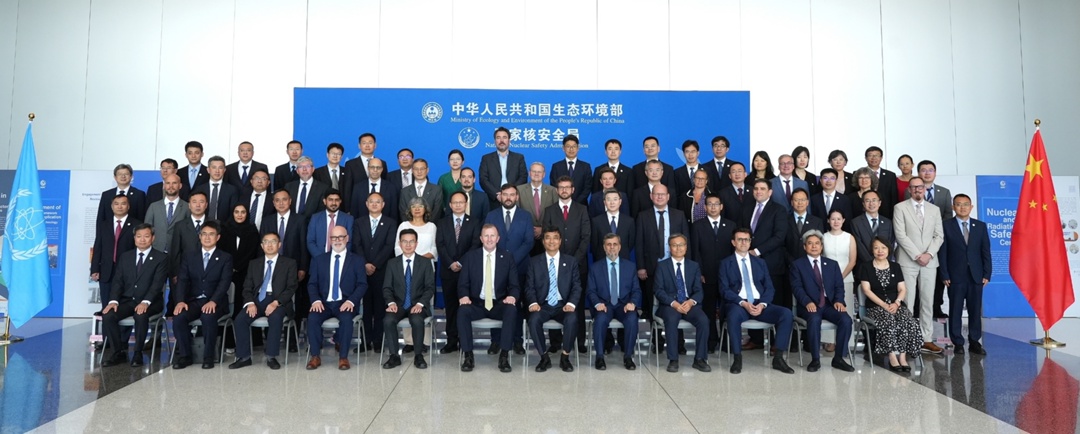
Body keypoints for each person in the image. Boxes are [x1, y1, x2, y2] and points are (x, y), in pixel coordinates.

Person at [720, 228, 795, 374]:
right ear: (733, 242)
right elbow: (724, 290)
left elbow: (769, 288)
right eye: (740, 239)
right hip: (739, 304)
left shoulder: (760, 262)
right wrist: (743, 303)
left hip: (759, 304)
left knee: (786, 314)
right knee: (733, 316)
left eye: (746, 240)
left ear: (750, 242)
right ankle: (737, 358)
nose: (743, 242)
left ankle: (778, 358)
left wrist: (762, 304)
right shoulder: (725, 263)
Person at [100, 223, 168, 367]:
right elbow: (117, 282)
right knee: (108, 316)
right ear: (134, 238)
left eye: (146, 236)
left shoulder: (161, 258)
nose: (142, 239)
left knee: (140, 315)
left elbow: (157, 285)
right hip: (128, 301)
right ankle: (118, 352)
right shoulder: (126, 257)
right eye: (139, 236)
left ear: (153, 238)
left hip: (151, 302)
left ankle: (138, 353)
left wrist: (146, 302)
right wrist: (113, 301)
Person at [789, 230, 855, 372]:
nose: (814, 246)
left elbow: (839, 286)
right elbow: (797, 287)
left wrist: (839, 301)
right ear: (804, 246)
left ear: (821, 246)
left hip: (829, 304)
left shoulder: (832, 264)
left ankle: (839, 358)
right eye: (810, 243)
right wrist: (807, 302)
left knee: (846, 320)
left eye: (817, 243)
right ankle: (815, 359)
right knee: (814, 320)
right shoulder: (797, 265)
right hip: (809, 305)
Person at [230, 232, 298, 370]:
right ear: (262, 246)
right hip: (257, 300)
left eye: (273, 241)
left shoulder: (289, 263)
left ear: (279, 245)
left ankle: (271, 357)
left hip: (278, 301)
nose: (269, 245)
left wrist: (276, 302)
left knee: (275, 317)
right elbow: (247, 287)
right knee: (240, 319)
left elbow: (291, 288)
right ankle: (244, 357)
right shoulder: (254, 263)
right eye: (266, 242)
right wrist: (250, 303)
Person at [456, 224, 519, 373]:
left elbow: (515, 285)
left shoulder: (507, 257)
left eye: (492, 236)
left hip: (499, 303)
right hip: (476, 303)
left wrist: (512, 296)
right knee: (462, 312)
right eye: (486, 236)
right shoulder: (471, 257)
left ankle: (504, 356)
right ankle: (468, 356)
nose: (489, 239)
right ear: (481, 238)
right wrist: (464, 296)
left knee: (511, 310)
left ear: (498, 238)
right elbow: (462, 284)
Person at [893, 177, 945, 354]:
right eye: (914, 187)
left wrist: (928, 254)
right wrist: (917, 255)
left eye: (920, 187)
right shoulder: (900, 208)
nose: (917, 190)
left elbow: (939, 235)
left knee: (927, 301)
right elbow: (900, 235)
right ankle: (907, 339)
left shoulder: (934, 209)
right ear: (909, 189)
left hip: (929, 261)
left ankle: (926, 339)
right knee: (908, 300)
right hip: (908, 260)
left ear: (925, 189)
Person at [171, 220, 233, 369]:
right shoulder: (189, 256)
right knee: (179, 317)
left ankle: (208, 356)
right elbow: (182, 280)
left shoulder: (225, 257)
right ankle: (185, 356)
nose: (207, 237)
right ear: (199, 236)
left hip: (215, 302)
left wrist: (213, 301)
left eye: (211, 234)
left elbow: (224, 283)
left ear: (218, 237)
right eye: (204, 234)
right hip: (194, 301)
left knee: (208, 317)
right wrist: (180, 301)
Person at [635, 183, 689, 351]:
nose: (659, 197)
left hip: (676, 267)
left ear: (668, 197)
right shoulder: (643, 216)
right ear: (651, 197)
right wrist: (641, 267)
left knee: (678, 301)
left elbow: (686, 241)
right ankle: (657, 342)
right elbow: (639, 243)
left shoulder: (679, 215)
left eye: (662, 194)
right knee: (654, 305)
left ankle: (679, 343)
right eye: (656, 194)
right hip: (652, 268)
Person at [304, 226, 366, 370]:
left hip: (345, 302)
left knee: (346, 319)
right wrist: (316, 300)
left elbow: (362, 285)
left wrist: (351, 301)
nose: (337, 240)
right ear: (330, 239)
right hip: (324, 303)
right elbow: (312, 284)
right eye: (334, 238)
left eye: (341, 237)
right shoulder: (320, 260)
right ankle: (315, 356)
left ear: (347, 238)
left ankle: (343, 357)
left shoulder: (357, 260)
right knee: (312, 318)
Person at [541, 175, 591, 352]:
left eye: (567, 187)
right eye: (561, 187)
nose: (564, 190)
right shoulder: (549, 210)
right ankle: (555, 343)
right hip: (553, 265)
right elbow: (546, 237)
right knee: (554, 301)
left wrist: (573, 261)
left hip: (578, 265)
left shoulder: (582, 209)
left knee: (577, 303)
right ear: (557, 190)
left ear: (573, 190)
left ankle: (579, 342)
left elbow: (586, 237)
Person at [938, 194, 991, 355]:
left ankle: (975, 342)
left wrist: (987, 273)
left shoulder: (980, 226)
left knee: (975, 310)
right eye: (959, 204)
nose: (962, 207)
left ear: (971, 207)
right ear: (953, 207)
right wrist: (944, 274)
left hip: (976, 275)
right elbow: (943, 252)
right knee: (955, 310)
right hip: (955, 276)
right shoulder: (946, 226)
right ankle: (958, 343)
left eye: (966, 204)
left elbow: (985, 251)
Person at [483, 183, 533, 354]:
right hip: (495, 268)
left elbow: (528, 242)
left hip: (520, 268)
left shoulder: (525, 215)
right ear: (500, 196)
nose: (509, 198)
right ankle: (496, 341)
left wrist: (511, 261)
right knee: (496, 303)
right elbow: (488, 241)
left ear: (517, 197)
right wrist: (502, 262)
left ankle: (517, 340)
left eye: (512, 194)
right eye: (505, 194)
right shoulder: (491, 215)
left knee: (516, 304)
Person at [858, 237, 921, 372]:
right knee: (888, 320)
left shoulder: (895, 267)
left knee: (908, 320)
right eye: (876, 248)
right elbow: (866, 290)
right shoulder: (866, 267)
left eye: (883, 248)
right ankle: (892, 356)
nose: (880, 251)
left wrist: (897, 303)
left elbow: (902, 289)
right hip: (876, 307)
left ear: (889, 250)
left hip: (896, 304)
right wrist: (884, 305)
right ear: (872, 250)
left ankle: (902, 357)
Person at [525, 227, 581, 373]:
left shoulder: (571, 261)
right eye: (548, 238)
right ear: (543, 241)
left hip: (563, 305)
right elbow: (529, 287)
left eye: (555, 238)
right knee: (533, 320)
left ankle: (565, 357)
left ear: (560, 241)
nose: (551, 241)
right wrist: (533, 303)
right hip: (542, 305)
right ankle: (544, 357)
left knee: (572, 319)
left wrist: (571, 304)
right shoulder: (534, 262)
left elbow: (576, 286)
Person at [654, 233, 711, 373]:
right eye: (674, 245)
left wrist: (691, 302)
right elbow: (658, 290)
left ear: (686, 247)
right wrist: (674, 303)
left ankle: (700, 359)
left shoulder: (694, 266)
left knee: (704, 320)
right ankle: (673, 359)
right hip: (669, 305)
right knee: (671, 319)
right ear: (669, 248)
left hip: (688, 303)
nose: (678, 248)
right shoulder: (662, 266)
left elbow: (699, 291)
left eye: (681, 245)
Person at [435, 191, 482, 353]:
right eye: (455, 202)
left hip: (467, 272)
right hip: (448, 271)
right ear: (450, 205)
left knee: (466, 306)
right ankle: (451, 341)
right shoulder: (442, 222)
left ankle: (465, 340)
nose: (458, 205)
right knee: (451, 307)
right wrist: (451, 263)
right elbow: (440, 244)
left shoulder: (474, 222)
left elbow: (475, 245)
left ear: (466, 204)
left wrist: (461, 262)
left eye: (461, 202)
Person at [381, 229, 435, 370]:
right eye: (405, 241)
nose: (408, 245)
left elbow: (430, 288)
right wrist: (391, 303)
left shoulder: (425, 263)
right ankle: (394, 356)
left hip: (418, 304)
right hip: (398, 305)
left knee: (416, 320)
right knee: (388, 320)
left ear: (416, 243)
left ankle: (418, 355)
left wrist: (420, 304)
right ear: (400, 243)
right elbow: (387, 287)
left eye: (411, 241)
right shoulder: (392, 263)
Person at [587, 234, 641, 370]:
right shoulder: (595, 268)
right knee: (600, 320)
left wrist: (632, 303)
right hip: (604, 305)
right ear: (604, 247)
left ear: (620, 247)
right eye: (609, 244)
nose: (612, 247)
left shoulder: (630, 266)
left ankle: (628, 357)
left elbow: (636, 290)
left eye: (615, 244)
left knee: (632, 319)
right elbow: (591, 291)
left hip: (624, 305)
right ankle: (599, 357)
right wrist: (597, 304)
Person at [351, 192, 397, 353]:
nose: (375, 204)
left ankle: (378, 341)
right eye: (372, 201)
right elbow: (356, 244)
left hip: (382, 270)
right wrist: (365, 263)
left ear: (383, 204)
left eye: (378, 202)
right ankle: (364, 341)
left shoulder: (390, 223)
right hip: (362, 270)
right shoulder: (359, 222)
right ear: (366, 204)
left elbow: (389, 246)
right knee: (365, 308)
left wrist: (375, 264)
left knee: (379, 307)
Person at [689, 193, 735, 352]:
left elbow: (733, 253)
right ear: (705, 207)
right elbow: (695, 252)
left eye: (716, 204)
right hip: (706, 275)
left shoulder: (730, 225)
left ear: (721, 206)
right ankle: (710, 341)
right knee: (708, 309)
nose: (713, 207)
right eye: (710, 204)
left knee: (726, 309)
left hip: (726, 276)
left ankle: (726, 342)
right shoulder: (697, 226)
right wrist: (699, 273)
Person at [394, 198, 438, 353]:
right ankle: (409, 342)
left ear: (425, 209)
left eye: (420, 206)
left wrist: (419, 261)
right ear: (409, 209)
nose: (417, 209)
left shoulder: (432, 226)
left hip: (426, 270)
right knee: (406, 302)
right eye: (413, 206)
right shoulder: (403, 226)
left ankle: (424, 341)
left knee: (423, 305)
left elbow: (434, 249)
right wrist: (412, 259)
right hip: (405, 269)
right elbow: (397, 248)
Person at [738, 179, 790, 311]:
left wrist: (757, 251)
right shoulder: (746, 208)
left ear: (770, 192)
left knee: (774, 302)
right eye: (756, 189)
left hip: (771, 262)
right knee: (755, 298)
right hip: (750, 262)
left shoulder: (779, 209)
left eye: (762, 189)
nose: (758, 191)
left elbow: (779, 237)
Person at [217, 203, 261, 352]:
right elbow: (222, 251)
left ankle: (247, 343)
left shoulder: (252, 231)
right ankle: (228, 342)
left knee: (242, 307)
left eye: (243, 212)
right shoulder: (224, 230)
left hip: (246, 275)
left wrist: (238, 266)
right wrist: (231, 267)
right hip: (227, 274)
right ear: (232, 213)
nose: (240, 215)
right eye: (237, 212)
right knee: (227, 308)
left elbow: (252, 253)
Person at [264, 190, 310, 331]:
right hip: (271, 267)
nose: (281, 203)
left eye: (284, 199)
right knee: (271, 298)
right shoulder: (267, 220)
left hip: (293, 267)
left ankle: (293, 336)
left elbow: (303, 245)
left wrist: (302, 267)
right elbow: (263, 245)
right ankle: (271, 334)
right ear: (273, 203)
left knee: (294, 301)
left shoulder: (300, 220)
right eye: (277, 200)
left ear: (290, 201)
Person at [914, 159, 953, 319]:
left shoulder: (944, 192)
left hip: (937, 240)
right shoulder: (912, 191)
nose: (927, 173)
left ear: (935, 173)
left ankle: (936, 306)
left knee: (937, 275)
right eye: (923, 170)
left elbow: (947, 217)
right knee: (918, 276)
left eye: (930, 170)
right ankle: (917, 308)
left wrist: (937, 237)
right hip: (917, 241)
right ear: (918, 173)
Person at [91, 195, 140, 311]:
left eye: (123, 203)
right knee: (106, 306)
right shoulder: (104, 224)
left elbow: (137, 249)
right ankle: (106, 323)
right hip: (106, 270)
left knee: (124, 306)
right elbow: (98, 246)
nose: (120, 207)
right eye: (116, 204)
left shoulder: (137, 225)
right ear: (112, 206)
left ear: (128, 206)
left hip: (127, 271)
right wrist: (94, 268)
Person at [821, 209, 857, 352]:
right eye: (833, 219)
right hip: (826, 280)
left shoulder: (849, 237)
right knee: (830, 309)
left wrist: (840, 277)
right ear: (828, 221)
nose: (836, 222)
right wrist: (831, 279)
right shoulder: (823, 237)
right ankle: (829, 341)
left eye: (839, 219)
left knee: (845, 310)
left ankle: (845, 341)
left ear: (843, 220)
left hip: (846, 278)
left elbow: (852, 260)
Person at [479, 127, 528, 208]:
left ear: (509, 140)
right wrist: (497, 194)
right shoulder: (486, 158)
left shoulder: (518, 158)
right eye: (498, 138)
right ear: (495, 141)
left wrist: (510, 193)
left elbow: (523, 177)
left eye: (504, 137)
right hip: (493, 201)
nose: (501, 140)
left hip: (514, 200)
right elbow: (483, 179)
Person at [168, 191, 210, 283]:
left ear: (206, 205)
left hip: (209, 273)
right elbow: (175, 252)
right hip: (185, 273)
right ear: (189, 205)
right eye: (194, 202)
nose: (198, 205)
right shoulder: (180, 225)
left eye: (201, 202)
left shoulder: (214, 224)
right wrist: (176, 273)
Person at [518, 162, 558, 253]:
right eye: (534, 171)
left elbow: (555, 215)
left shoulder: (553, 191)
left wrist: (543, 229)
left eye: (539, 172)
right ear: (529, 173)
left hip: (547, 237)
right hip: (525, 237)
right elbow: (517, 214)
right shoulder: (519, 190)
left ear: (544, 174)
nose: (536, 174)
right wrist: (530, 229)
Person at [143, 174, 189, 254]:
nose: (170, 186)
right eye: (168, 183)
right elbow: (147, 229)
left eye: (174, 183)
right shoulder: (154, 206)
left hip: (178, 252)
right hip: (156, 251)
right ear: (164, 186)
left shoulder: (187, 207)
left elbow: (189, 231)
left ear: (180, 186)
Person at [851, 190, 894, 270]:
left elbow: (890, 243)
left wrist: (883, 262)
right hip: (865, 266)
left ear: (879, 203)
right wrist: (872, 264)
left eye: (874, 200)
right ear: (863, 204)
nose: (871, 204)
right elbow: (859, 246)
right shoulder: (856, 222)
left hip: (885, 265)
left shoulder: (887, 222)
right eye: (868, 201)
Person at [306, 190, 354, 259]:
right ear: (324, 201)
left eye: (337, 200)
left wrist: (338, 257)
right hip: (318, 259)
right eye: (330, 200)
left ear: (340, 201)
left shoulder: (348, 219)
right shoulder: (315, 218)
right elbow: (310, 241)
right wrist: (321, 258)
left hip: (340, 260)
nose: (334, 203)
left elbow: (349, 242)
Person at [350, 157, 400, 224]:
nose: (375, 170)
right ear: (368, 168)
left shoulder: (391, 188)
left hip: (385, 226)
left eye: (378, 167)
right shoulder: (358, 187)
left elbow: (393, 212)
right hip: (362, 226)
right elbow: (354, 211)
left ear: (382, 169)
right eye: (372, 167)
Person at [590, 189, 635, 262]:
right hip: (602, 261)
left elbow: (630, 244)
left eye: (615, 199)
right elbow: (594, 245)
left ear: (620, 202)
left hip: (623, 260)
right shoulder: (596, 221)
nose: (612, 203)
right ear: (604, 202)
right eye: (609, 200)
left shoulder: (629, 221)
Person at [193, 156, 240, 222]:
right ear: (208, 170)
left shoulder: (232, 190)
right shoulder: (199, 189)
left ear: (224, 170)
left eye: (220, 168)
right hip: (203, 225)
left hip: (224, 226)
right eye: (214, 167)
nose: (217, 171)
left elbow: (233, 212)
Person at [398, 158, 445, 222]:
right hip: (409, 227)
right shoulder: (404, 191)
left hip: (431, 226)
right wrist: (412, 225)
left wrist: (427, 226)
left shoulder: (436, 190)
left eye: (422, 169)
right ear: (412, 171)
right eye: (416, 169)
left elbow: (437, 212)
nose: (419, 171)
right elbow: (403, 212)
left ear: (427, 170)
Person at [549, 134, 592, 204]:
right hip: (561, 204)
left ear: (578, 148)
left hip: (581, 205)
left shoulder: (585, 167)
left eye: (574, 146)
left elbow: (587, 188)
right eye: (568, 146)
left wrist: (575, 204)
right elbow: (554, 186)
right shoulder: (556, 167)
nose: (571, 149)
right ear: (563, 148)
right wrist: (565, 202)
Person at [786, 188, 824, 263]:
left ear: (807, 202)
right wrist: (790, 261)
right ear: (792, 202)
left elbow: (819, 243)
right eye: (796, 200)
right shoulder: (785, 220)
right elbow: (782, 244)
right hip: (789, 263)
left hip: (810, 263)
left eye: (803, 200)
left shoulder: (817, 221)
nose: (800, 203)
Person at [284, 156, 328, 221]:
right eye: (301, 167)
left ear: (313, 169)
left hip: (313, 223)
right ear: (297, 171)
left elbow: (322, 211)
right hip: (292, 223)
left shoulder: (323, 188)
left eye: (308, 166)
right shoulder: (289, 187)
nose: (304, 169)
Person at [313, 142, 351, 209]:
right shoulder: (317, 172)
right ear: (327, 154)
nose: (335, 156)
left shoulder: (347, 171)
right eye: (333, 153)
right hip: (323, 208)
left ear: (342, 156)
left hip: (343, 209)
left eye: (338, 154)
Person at [865, 146, 898, 219]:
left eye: (876, 155)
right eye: (870, 155)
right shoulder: (858, 174)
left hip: (886, 213)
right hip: (864, 212)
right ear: (866, 158)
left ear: (881, 158)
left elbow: (893, 198)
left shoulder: (890, 175)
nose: (873, 158)